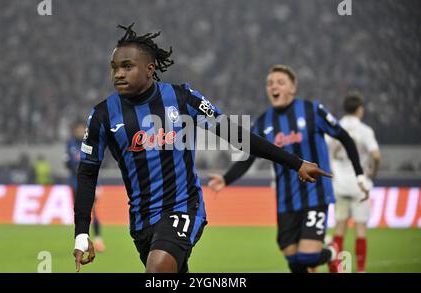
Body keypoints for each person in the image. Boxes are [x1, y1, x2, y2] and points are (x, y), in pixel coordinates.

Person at [73, 24, 331, 273]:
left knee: (159, 266)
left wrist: (295, 162)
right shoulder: (103, 115)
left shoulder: (182, 98)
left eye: (127, 66)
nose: (118, 73)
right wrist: (82, 231)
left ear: (149, 69)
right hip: (141, 220)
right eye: (114, 67)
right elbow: (87, 173)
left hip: (183, 206)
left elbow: (237, 135)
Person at [208, 65, 369, 273]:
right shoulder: (264, 122)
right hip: (286, 200)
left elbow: (344, 137)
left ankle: (333, 252)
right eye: (270, 83)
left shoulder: (313, 111)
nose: (274, 86)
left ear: (293, 88)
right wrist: (226, 179)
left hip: (315, 195)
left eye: (280, 82)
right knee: (293, 260)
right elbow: (248, 156)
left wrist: (360, 174)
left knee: (307, 256)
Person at [327, 93, 380, 273]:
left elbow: (324, 153)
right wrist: (373, 172)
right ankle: (361, 270)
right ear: (359, 109)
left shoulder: (334, 127)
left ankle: (338, 268)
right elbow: (376, 155)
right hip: (360, 185)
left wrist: (331, 170)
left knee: (339, 229)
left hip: (339, 184)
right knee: (360, 230)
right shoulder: (365, 130)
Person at [66, 122, 105, 252]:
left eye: (82, 129)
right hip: (75, 184)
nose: (80, 131)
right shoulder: (70, 144)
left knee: (92, 210)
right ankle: (82, 240)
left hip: (88, 184)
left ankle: (98, 239)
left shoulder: (89, 143)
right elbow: (67, 163)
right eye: (78, 129)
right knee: (80, 212)